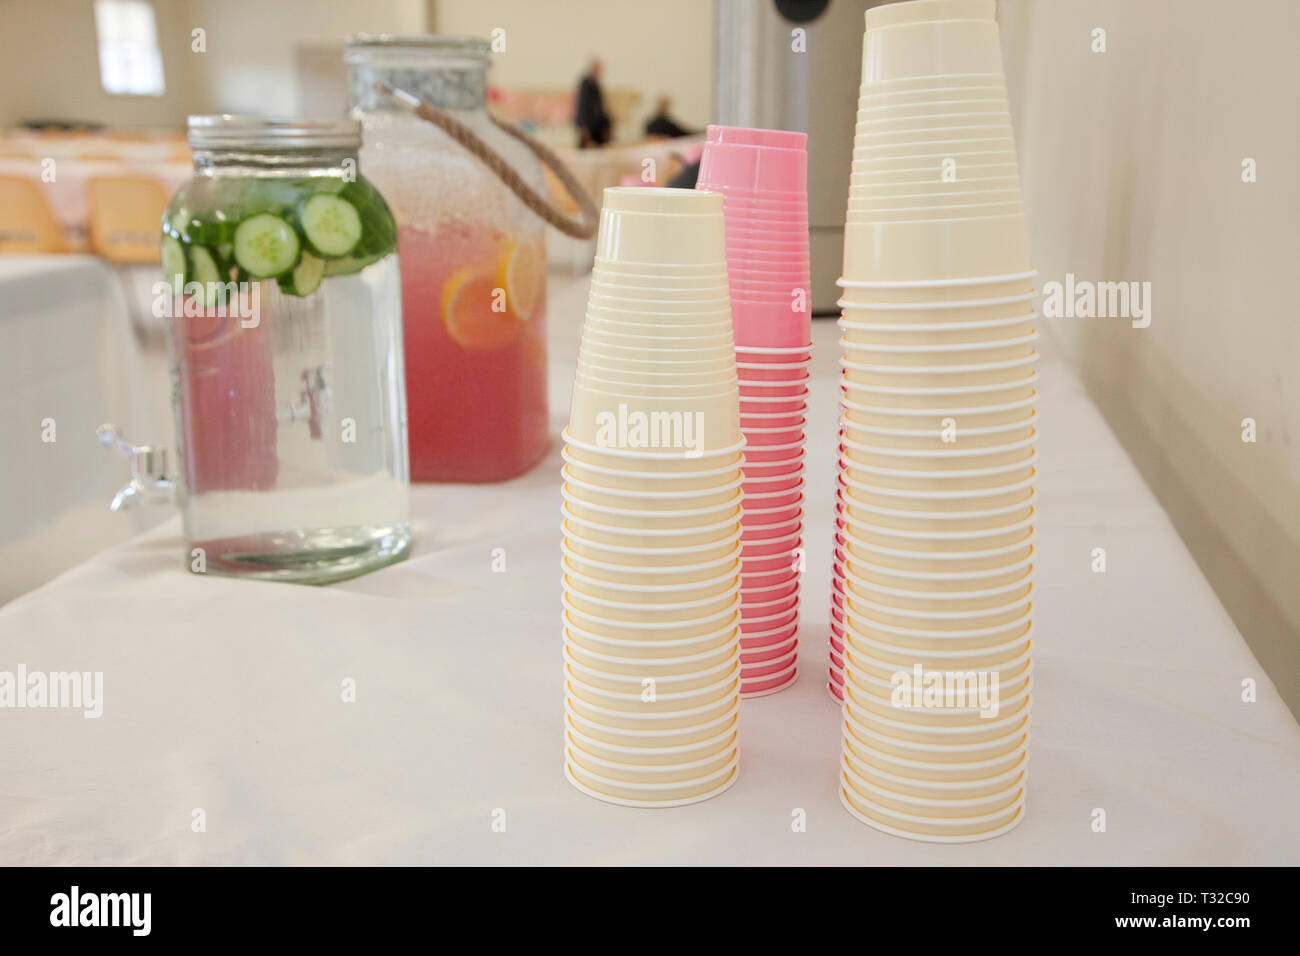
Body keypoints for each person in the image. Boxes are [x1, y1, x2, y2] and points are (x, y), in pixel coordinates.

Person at [575, 59, 611, 148]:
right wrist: (583, 125)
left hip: (597, 123)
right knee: (583, 147)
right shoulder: (584, 86)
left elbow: (600, 107)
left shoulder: (596, 86)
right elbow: (582, 107)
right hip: (587, 123)